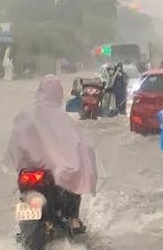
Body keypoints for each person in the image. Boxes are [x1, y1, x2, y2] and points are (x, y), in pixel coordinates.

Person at [7, 75, 98, 232]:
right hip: (52, 173)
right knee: (72, 177)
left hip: (29, 173)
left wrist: (21, 165)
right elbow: (78, 145)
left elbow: (14, 145)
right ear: (57, 94)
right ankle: (73, 220)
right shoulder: (63, 118)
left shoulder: (25, 115)